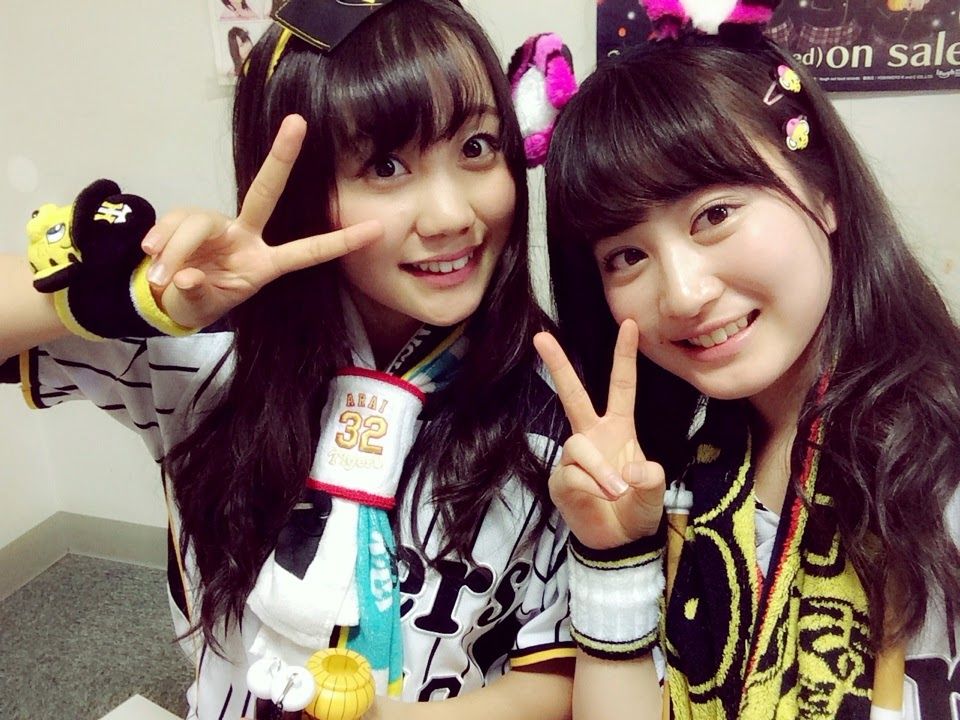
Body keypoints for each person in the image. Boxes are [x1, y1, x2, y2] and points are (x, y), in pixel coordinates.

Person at [0, 1, 576, 717]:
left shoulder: (557, 403)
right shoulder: (210, 347)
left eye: (477, 147)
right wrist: (126, 294)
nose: (452, 215)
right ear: (301, 188)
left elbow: (552, 673)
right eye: (386, 165)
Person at [536, 13, 960, 720]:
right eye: (627, 256)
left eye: (715, 215)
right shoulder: (683, 475)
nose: (682, 294)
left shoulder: (938, 459)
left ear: (823, 192)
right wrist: (612, 555)